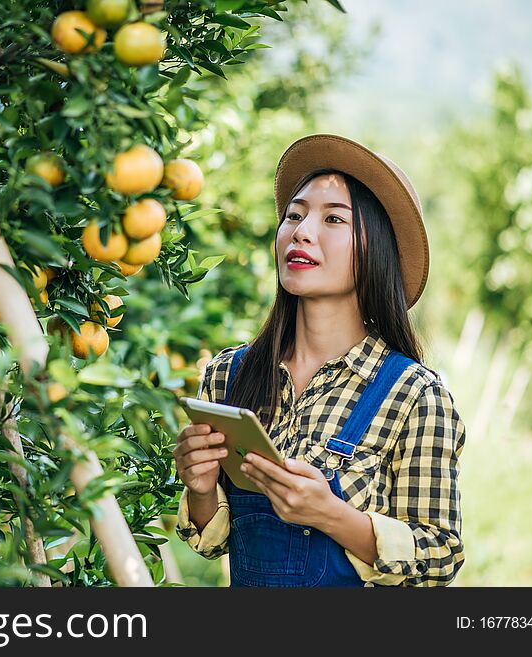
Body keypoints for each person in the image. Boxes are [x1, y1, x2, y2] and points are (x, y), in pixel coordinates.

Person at [173, 133, 466, 587]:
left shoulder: (414, 396)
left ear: (375, 251)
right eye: (294, 215)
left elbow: (439, 557)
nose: (301, 232)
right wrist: (199, 487)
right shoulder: (229, 377)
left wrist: (332, 516)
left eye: (333, 219)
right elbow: (213, 541)